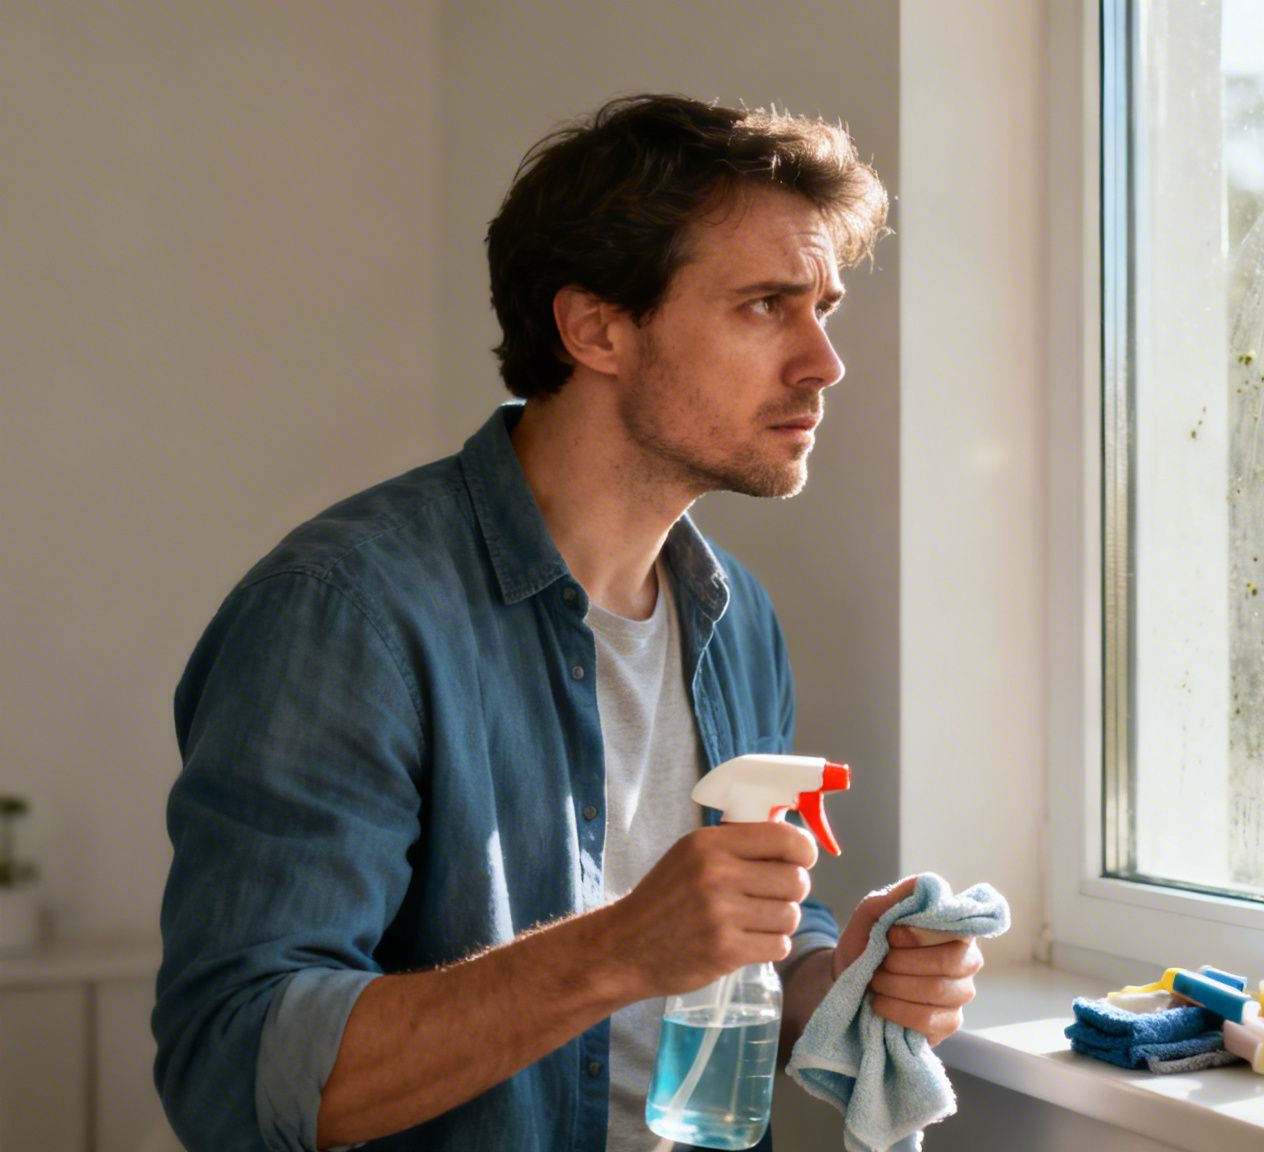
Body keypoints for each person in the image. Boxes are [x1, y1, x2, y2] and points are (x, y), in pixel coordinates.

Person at [154, 94, 981, 1152]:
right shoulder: (345, 614)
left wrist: (834, 978)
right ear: (595, 327)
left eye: (823, 307)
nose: (823, 363)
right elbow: (235, 1069)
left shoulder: (735, 617)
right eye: (767, 305)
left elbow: (723, 961)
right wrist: (616, 950)